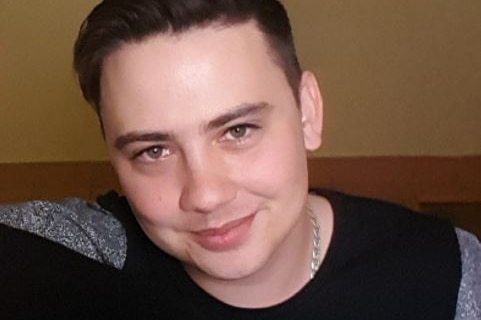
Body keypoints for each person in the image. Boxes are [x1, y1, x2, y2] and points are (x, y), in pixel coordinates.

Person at [1, 0, 480, 318]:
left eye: (238, 130)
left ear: (308, 111)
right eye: (154, 150)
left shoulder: (448, 273)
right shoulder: (80, 262)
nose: (206, 194)